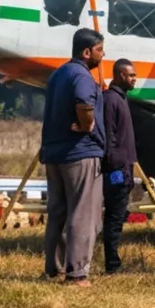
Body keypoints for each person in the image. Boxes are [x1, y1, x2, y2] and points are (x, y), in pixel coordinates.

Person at [41, 28, 106, 287]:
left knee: (57, 212)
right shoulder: (81, 75)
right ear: (87, 51)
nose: (103, 55)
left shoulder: (57, 75)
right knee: (83, 213)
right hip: (79, 153)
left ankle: (54, 268)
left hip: (54, 153)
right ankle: (77, 273)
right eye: (100, 50)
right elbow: (83, 103)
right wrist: (87, 125)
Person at [101, 58, 139, 274]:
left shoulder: (122, 99)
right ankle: (112, 264)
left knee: (119, 215)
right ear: (121, 75)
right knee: (114, 218)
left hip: (125, 168)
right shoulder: (111, 100)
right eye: (131, 75)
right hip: (117, 170)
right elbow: (110, 136)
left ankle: (114, 260)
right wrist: (116, 167)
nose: (135, 79)